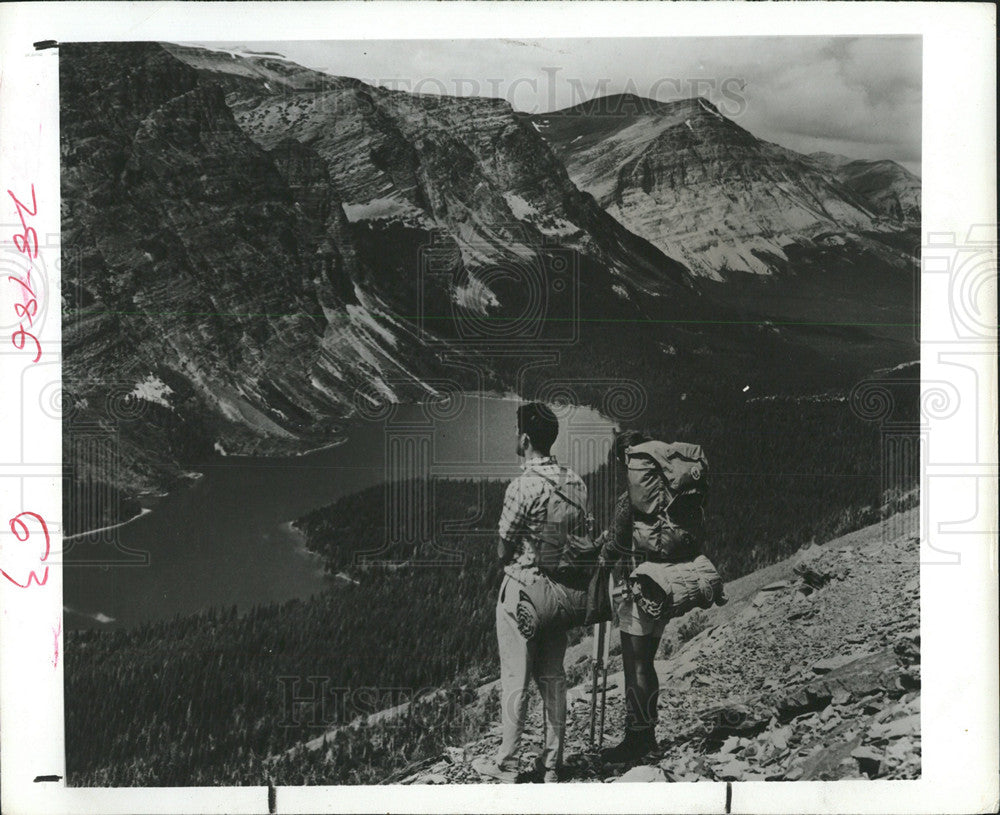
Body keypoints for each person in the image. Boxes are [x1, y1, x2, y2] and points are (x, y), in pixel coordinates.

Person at [471, 402, 586, 784]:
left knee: (515, 679)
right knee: (553, 677)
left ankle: (507, 765)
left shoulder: (522, 486)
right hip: (559, 594)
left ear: (524, 440)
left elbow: (504, 548)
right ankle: (551, 764)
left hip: (522, 592)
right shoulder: (575, 481)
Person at [598, 429, 665, 763]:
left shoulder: (631, 499)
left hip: (636, 588)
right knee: (647, 663)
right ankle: (649, 735)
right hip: (663, 587)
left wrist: (600, 550)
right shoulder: (668, 491)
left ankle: (636, 739)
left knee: (634, 665)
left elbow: (614, 549)